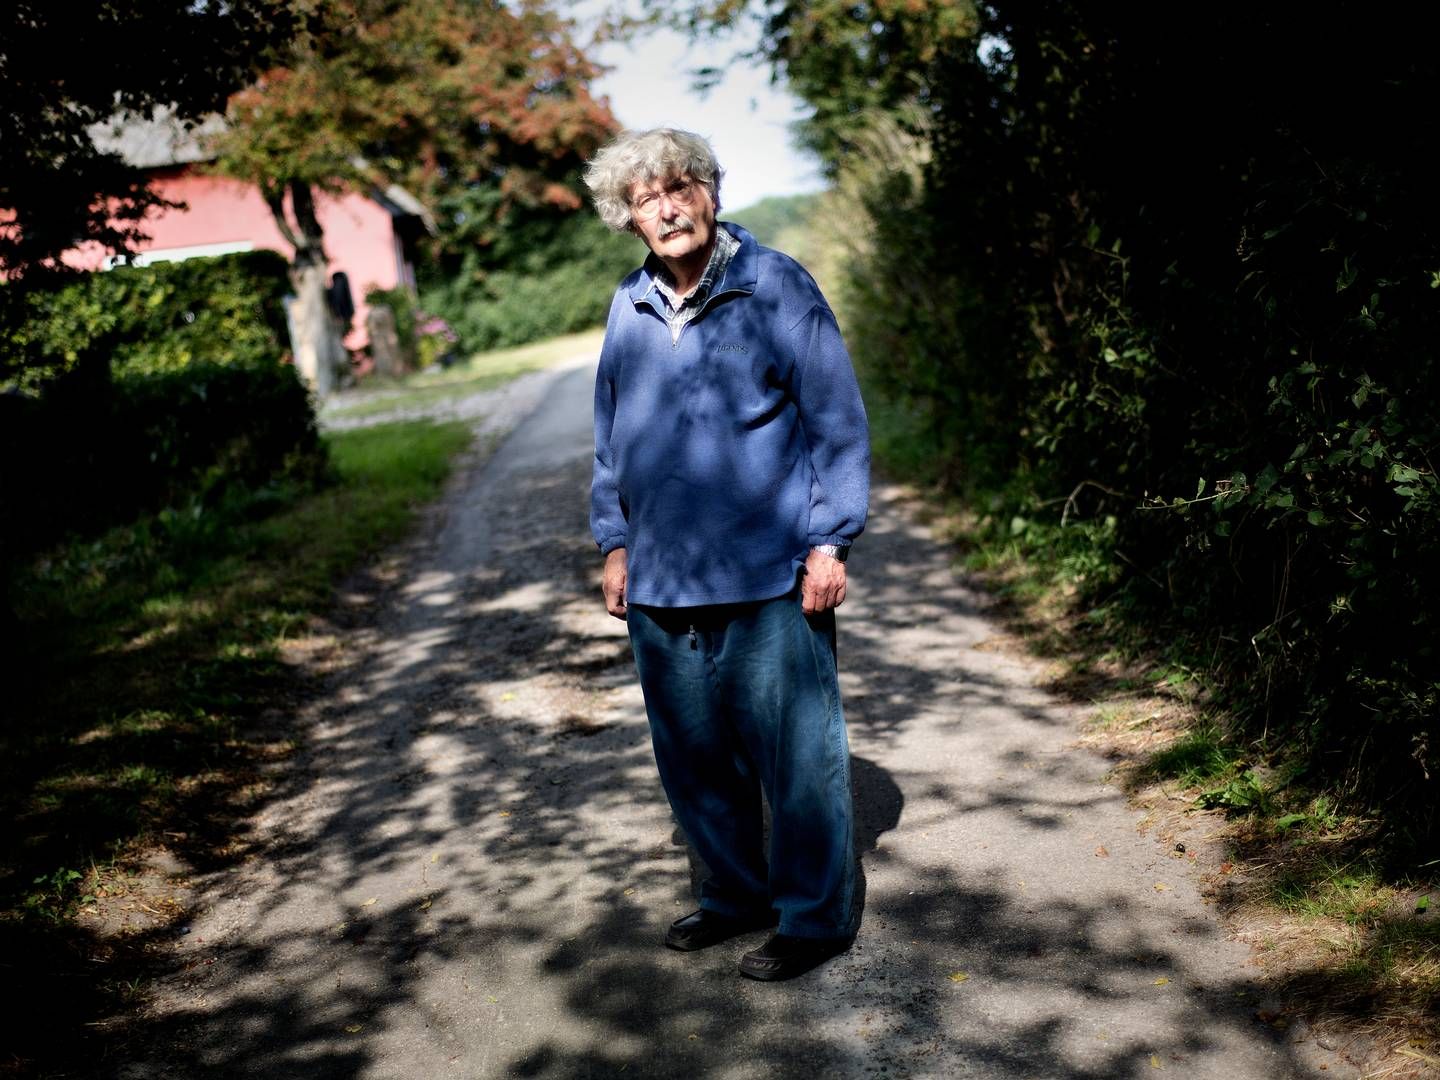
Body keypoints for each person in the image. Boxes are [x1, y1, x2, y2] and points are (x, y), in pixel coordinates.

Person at [583, 128, 870, 981]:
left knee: (797, 757)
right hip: (664, 581)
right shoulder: (626, 306)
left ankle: (814, 919)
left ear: (711, 191)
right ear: (628, 219)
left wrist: (829, 539)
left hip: (769, 573)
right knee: (695, 758)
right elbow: (610, 439)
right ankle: (734, 896)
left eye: (680, 186)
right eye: (646, 198)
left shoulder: (773, 283)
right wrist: (615, 540)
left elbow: (836, 418)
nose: (666, 207)